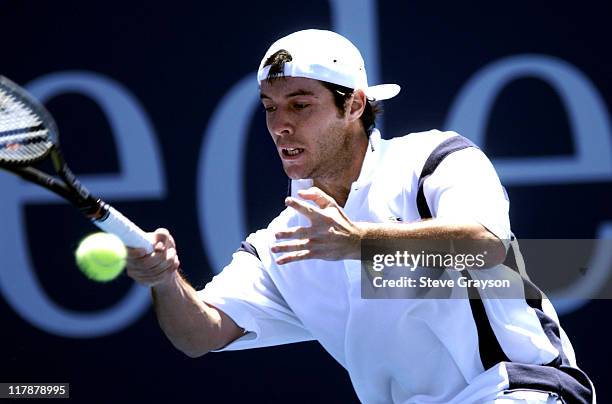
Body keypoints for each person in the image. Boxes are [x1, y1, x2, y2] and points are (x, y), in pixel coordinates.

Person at [126, 29, 595, 403]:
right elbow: (199, 333)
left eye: (300, 105)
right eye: (270, 108)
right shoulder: (281, 243)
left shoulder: (434, 158)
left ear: (352, 104)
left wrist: (360, 241)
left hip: (517, 390)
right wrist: (164, 280)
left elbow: (488, 243)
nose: (279, 125)